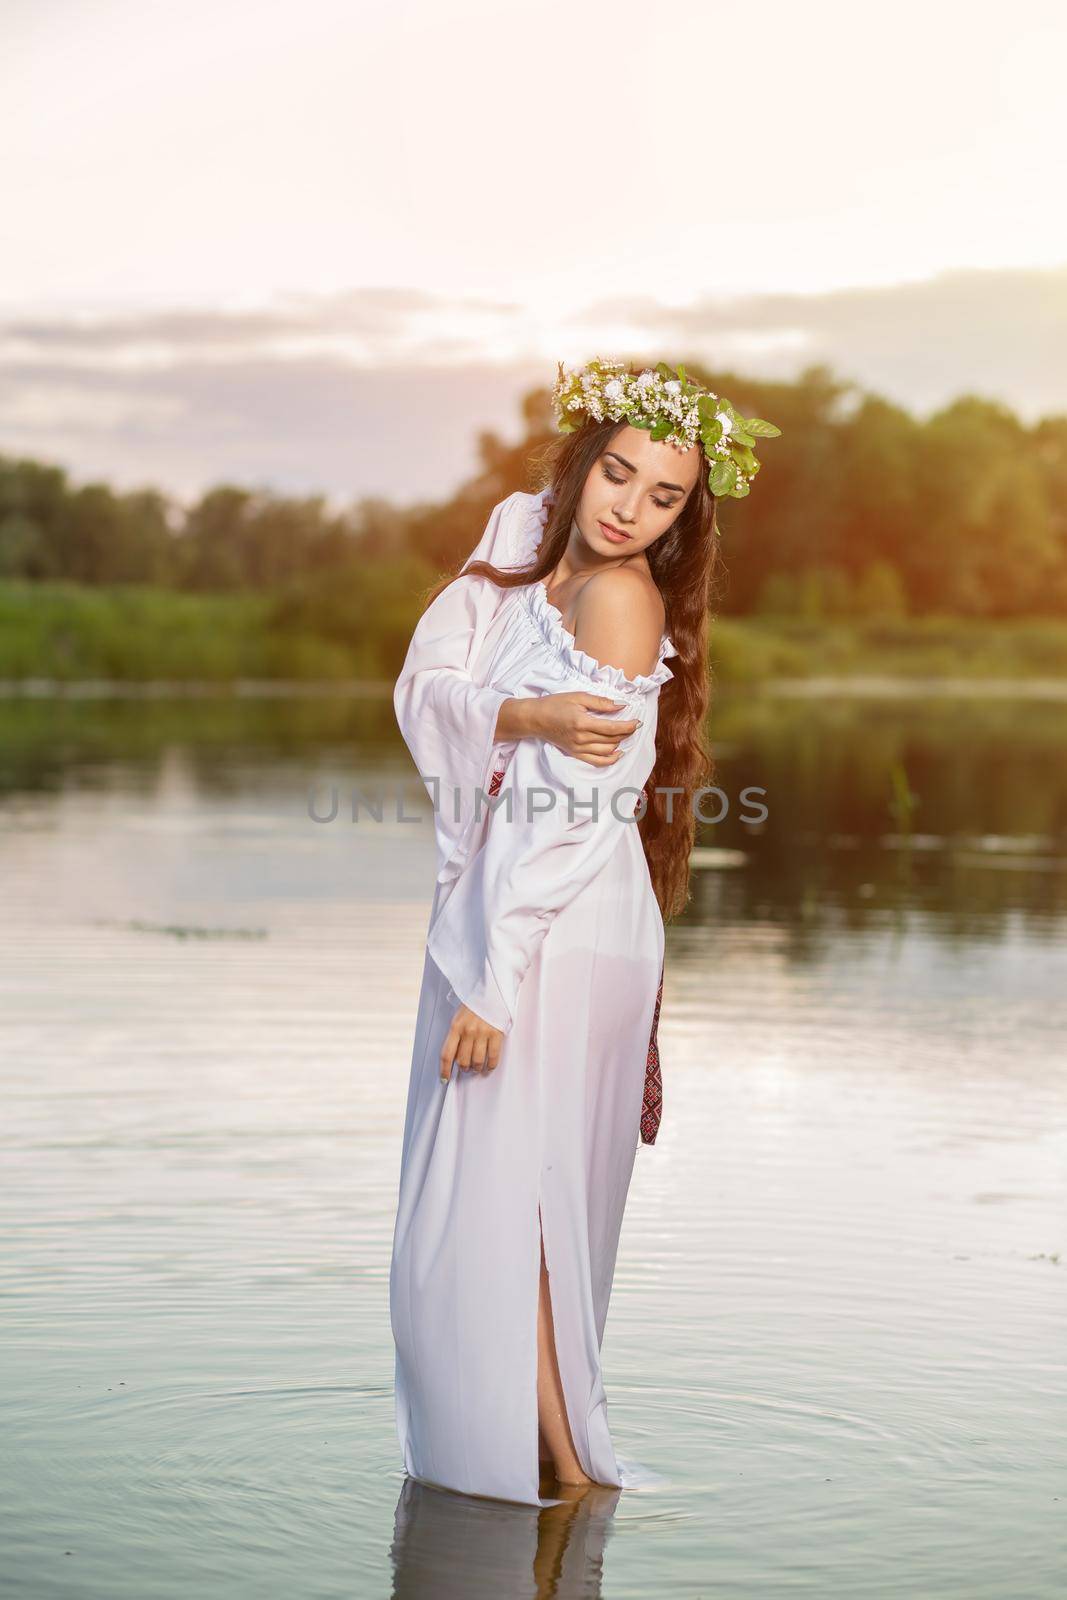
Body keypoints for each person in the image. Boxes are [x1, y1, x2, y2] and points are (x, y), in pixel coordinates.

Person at [389, 357, 781, 1507]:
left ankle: (564, 1477)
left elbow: (574, 811)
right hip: (501, 909)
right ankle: (556, 1482)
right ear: (579, 460)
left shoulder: (620, 600)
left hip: (556, 921)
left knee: (521, 1198)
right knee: (493, 1199)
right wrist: (528, 710)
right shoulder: (516, 540)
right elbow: (425, 686)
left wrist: (491, 978)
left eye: (662, 498)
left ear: (680, 517)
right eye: (617, 473)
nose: (628, 508)